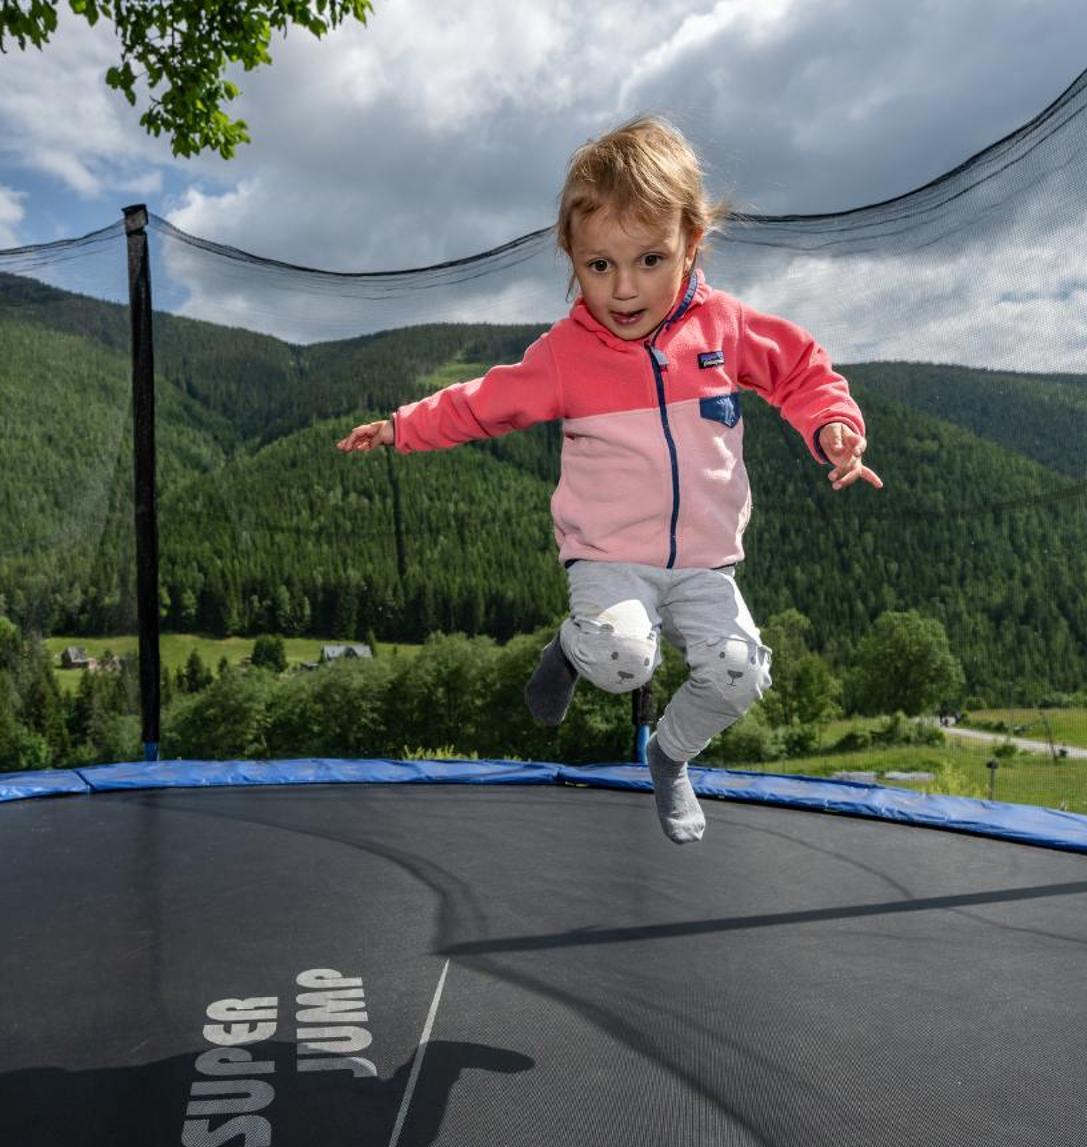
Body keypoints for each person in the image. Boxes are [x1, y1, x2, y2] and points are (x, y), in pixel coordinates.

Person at [336, 114, 881, 844]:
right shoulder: (568, 354)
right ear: (572, 257)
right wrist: (402, 426)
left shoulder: (725, 328)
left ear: (692, 241)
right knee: (624, 659)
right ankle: (571, 644)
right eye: (600, 267)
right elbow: (482, 403)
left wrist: (833, 427)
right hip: (608, 556)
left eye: (650, 261)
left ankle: (669, 756)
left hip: (704, 560)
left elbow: (802, 370)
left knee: (740, 673)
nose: (624, 290)